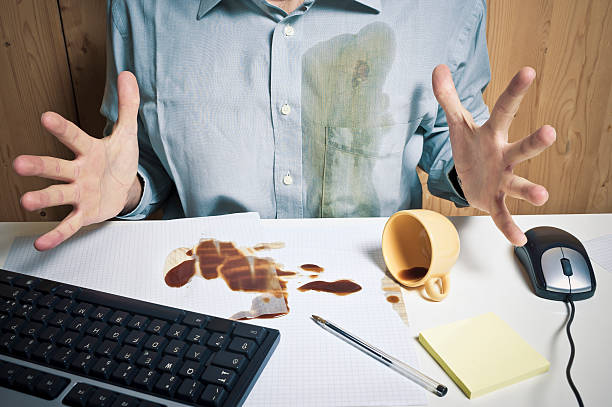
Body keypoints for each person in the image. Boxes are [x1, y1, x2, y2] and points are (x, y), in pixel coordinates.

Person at [13, 0, 555, 251]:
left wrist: (466, 180)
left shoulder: (447, 7)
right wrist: (129, 192)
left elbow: (450, 145)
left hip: (380, 290)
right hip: (200, 290)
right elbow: (144, 161)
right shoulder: (142, 7)